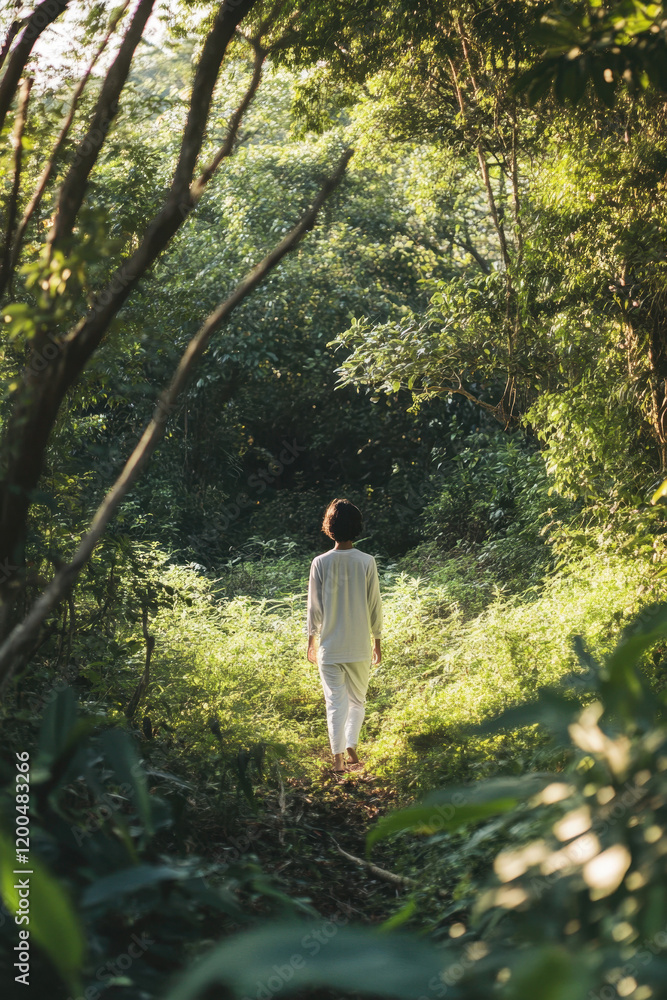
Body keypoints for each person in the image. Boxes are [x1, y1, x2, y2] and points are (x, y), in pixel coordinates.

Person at [306, 498, 382, 775]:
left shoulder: (320, 562)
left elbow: (314, 607)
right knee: (356, 701)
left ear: (330, 527)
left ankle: (337, 759)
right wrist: (378, 642)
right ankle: (351, 746)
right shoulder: (367, 562)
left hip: (330, 647)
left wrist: (311, 641)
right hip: (359, 646)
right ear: (357, 527)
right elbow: (375, 604)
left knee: (334, 703)